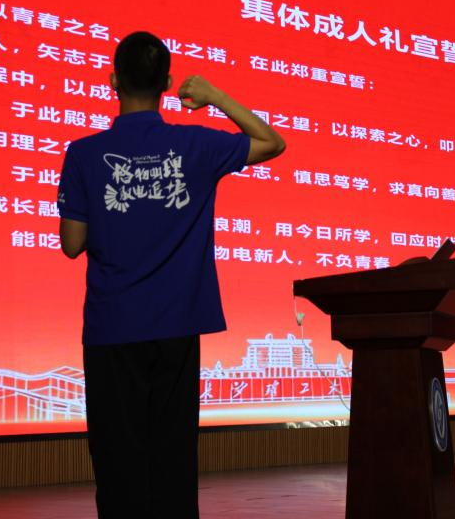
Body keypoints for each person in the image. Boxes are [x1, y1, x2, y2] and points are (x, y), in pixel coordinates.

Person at [56, 30, 285, 518]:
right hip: (177, 325)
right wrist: (214, 95)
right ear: (166, 83)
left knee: (118, 459)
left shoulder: (83, 153)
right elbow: (271, 142)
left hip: (113, 326)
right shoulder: (194, 144)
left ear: (113, 80)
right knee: (172, 457)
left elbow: (72, 244)